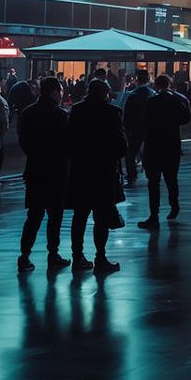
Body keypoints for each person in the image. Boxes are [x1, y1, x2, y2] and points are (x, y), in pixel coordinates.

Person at [66, 79, 127, 274]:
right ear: (105, 93)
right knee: (101, 218)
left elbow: (69, 140)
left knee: (80, 216)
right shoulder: (112, 112)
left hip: (81, 170)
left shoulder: (77, 110)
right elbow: (121, 145)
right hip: (104, 171)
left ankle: (77, 257)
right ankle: (100, 257)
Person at [16, 77, 71, 272]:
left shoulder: (28, 113)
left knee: (34, 216)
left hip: (35, 169)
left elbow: (24, 141)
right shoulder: (61, 115)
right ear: (54, 92)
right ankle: (53, 253)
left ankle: (24, 255)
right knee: (55, 216)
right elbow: (68, 143)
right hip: (56, 171)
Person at [136, 74, 191, 230]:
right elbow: (186, 118)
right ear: (169, 84)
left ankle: (154, 215)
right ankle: (174, 205)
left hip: (154, 145)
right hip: (171, 144)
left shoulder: (152, 101)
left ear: (156, 85)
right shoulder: (177, 100)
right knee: (171, 179)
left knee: (153, 183)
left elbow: (144, 121)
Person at [121, 68, 154, 184]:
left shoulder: (132, 95)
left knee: (131, 154)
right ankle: (151, 173)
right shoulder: (153, 94)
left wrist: (125, 128)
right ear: (148, 80)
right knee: (149, 152)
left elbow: (127, 114)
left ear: (136, 80)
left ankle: (132, 175)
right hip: (150, 128)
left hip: (134, 129)